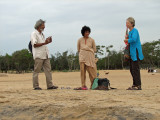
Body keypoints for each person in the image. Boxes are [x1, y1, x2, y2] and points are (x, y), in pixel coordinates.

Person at [30, 19, 58, 90]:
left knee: (48, 70)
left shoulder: (42, 34)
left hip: (46, 54)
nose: (44, 27)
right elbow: (35, 44)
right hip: (39, 55)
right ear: (39, 26)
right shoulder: (34, 33)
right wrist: (45, 43)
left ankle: (50, 85)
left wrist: (48, 42)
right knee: (36, 71)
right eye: (43, 25)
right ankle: (36, 86)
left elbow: (43, 44)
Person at [124, 17, 144, 90]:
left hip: (136, 51)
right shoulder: (130, 32)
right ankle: (134, 84)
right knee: (132, 69)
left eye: (127, 23)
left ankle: (138, 85)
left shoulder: (135, 30)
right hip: (132, 52)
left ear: (131, 24)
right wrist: (127, 37)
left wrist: (127, 39)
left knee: (135, 69)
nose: (126, 24)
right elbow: (129, 40)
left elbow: (134, 39)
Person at [75, 26, 97, 90]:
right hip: (82, 57)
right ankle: (83, 85)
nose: (87, 33)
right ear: (83, 32)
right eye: (86, 32)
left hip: (90, 58)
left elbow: (94, 49)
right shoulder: (79, 40)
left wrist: (88, 50)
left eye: (88, 32)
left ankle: (93, 85)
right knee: (82, 72)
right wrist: (84, 51)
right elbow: (78, 49)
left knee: (91, 72)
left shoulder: (92, 40)